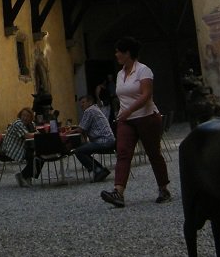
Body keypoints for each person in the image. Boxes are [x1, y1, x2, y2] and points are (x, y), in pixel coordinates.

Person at [101, 36, 171, 207]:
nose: (116, 54)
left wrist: (129, 110)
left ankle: (164, 189)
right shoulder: (119, 74)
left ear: (128, 53)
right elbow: (122, 95)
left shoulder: (143, 71)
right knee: (123, 153)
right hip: (127, 120)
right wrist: (122, 112)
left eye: (119, 51)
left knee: (153, 154)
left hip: (146, 117)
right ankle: (118, 192)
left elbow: (146, 95)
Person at [73, 94, 115, 182]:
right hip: (108, 140)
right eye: (80, 103)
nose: (81, 105)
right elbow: (83, 128)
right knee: (83, 148)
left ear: (90, 102)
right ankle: (100, 170)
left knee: (78, 151)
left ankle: (98, 171)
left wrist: (67, 132)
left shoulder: (90, 110)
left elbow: (81, 129)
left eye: (83, 102)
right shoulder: (95, 109)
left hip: (104, 141)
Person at [0, 106, 39, 187]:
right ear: (20, 115)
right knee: (37, 156)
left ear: (31, 118)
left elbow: (33, 134)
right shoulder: (18, 123)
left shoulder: (30, 124)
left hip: (23, 148)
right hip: (12, 150)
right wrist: (38, 134)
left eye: (28, 116)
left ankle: (25, 176)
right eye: (23, 115)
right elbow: (27, 136)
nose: (25, 118)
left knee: (40, 154)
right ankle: (24, 176)